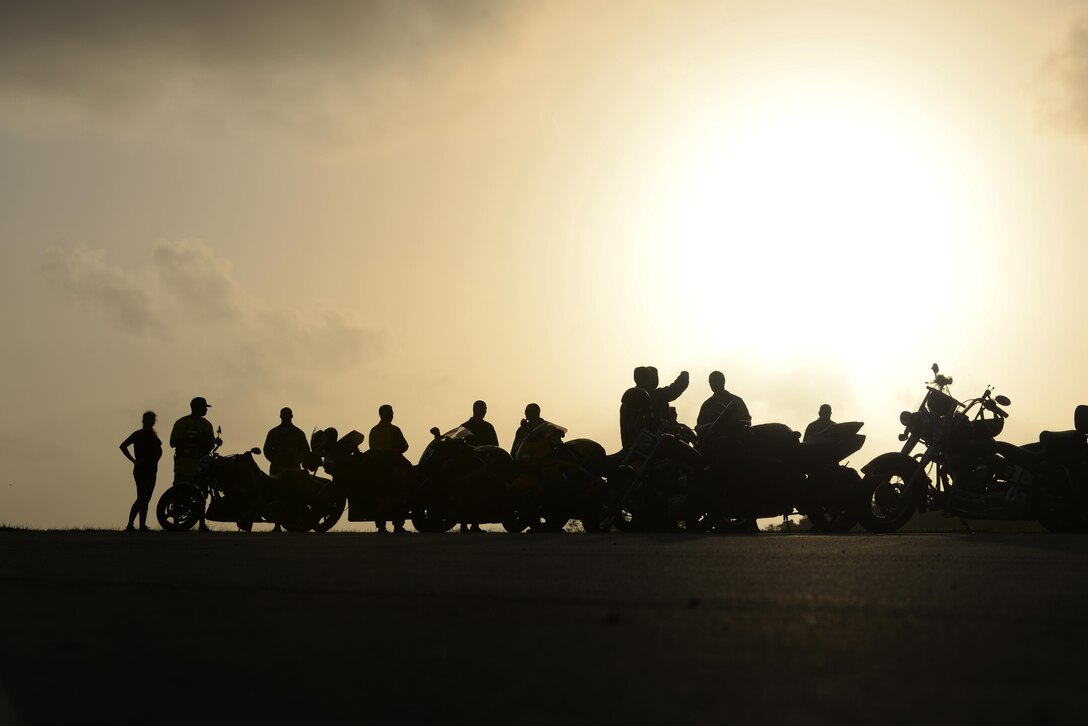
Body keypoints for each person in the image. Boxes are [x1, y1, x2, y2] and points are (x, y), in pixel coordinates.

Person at [169, 396, 219, 532]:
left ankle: (202, 524)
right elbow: (173, 442)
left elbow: (209, 445)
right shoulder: (181, 423)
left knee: (202, 494)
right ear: (195, 407)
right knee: (179, 493)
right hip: (184, 463)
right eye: (204, 407)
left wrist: (212, 443)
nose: (206, 410)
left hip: (201, 465)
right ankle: (176, 524)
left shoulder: (207, 425)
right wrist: (193, 440)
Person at [119, 410, 163, 531]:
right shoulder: (138, 434)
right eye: (149, 419)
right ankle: (130, 524)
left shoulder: (154, 436)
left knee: (146, 498)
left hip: (152, 469)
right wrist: (134, 460)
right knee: (142, 497)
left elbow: (160, 450)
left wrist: (156, 460)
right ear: (143, 421)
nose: (151, 422)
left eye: (153, 419)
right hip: (141, 469)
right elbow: (123, 446)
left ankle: (142, 525)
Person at [369, 404, 409, 533]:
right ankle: (382, 526)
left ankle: (398, 525)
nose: (391, 415)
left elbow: (404, 446)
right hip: (381, 469)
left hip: (396, 468)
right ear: (382, 415)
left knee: (401, 494)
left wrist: (393, 452)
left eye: (392, 413)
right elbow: (373, 449)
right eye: (389, 413)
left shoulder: (395, 430)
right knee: (381, 496)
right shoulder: (375, 431)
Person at [458, 400, 497, 533]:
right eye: (482, 409)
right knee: (465, 495)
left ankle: (475, 525)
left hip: (483, 466)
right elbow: (457, 446)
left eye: (485, 409)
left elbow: (495, 446)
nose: (484, 411)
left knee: (480, 495)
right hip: (467, 466)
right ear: (475, 410)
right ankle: (464, 525)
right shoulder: (464, 427)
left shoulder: (489, 427)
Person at [263, 407, 310, 476]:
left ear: (291, 416)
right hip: (277, 469)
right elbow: (267, 449)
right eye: (284, 415)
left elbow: (306, 451)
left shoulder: (299, 433)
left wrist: (295, 459)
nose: (286, 417)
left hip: (294, 470)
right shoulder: (273, 433)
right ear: (280, 416)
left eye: (287, 415)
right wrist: (276, 459)